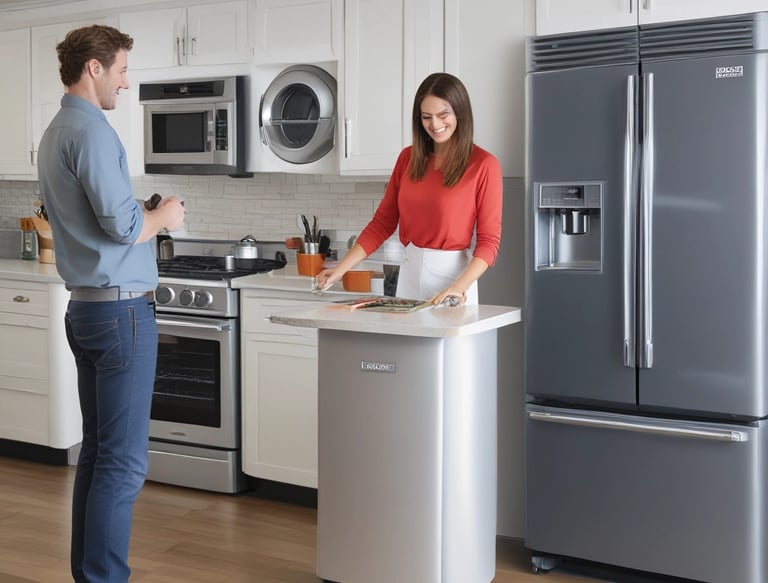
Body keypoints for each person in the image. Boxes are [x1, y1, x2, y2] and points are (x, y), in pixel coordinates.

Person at [36, 25, 185, 583]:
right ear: (94, 68)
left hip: (87, 310)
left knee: (98, 453)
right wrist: (164, 217)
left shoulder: (56, 131)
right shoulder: (92, 131)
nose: (126, 81)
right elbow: (124, 226)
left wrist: (138, 214)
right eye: (121, 69)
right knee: (122, 464)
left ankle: (90, 575)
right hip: (121, 314)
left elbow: (101, 217)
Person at [315, 72, 502, 306]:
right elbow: (382, 224)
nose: (435, 125)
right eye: (426, 117)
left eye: (443, 115)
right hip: (409, 277)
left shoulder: (483, 165)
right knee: (406, 343)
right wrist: (340, 270)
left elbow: (489, 242)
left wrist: (459, 286)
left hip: (454, 283)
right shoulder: (408, 158)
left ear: (460, 113)